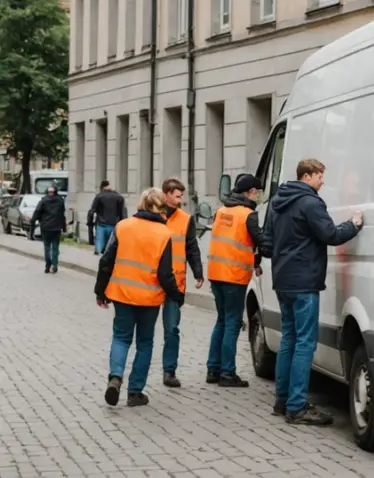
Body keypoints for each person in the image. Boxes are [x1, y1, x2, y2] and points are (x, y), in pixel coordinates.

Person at [262, 158, 362, 425]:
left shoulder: (276, 202)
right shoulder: (310, 202)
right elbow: (331, 234)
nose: (322, 181)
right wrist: (354, 224)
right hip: (304, 281)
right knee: (305, 343)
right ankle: (297, 406)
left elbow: (267, 243)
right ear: (307, 176)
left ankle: (282, 401)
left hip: (283, 279)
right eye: (320, 176)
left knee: (288, 340)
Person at [94, 188, 184, 408]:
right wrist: (176, 295)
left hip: (122, 294)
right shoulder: (164, 234)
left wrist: (100, 290)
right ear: (161, 207)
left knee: (121, 338)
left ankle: (115, 377)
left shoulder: (123, 226)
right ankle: (135, 392)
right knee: (145, 343)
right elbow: (165, 273)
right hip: (149, 298)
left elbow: (106, 260)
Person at [206, 174, 264, 388]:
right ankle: (228, 373)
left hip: (216, 272)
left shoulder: (221, 211)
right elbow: (262, 242)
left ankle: (213, 368)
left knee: (221, 320)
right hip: (234, 275)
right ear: (250, 192)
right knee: (232, 322)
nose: (257, 196)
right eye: (256, 192)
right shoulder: (249, 215)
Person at [160, 177, 205, 388]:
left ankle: (169, 371)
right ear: (166, 194)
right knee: (144, 332)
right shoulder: (152, 215)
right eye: (177, 194)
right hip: (150, 281)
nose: (181, 197)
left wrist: (198, 272)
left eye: (181, 194)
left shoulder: (185, 219)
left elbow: (191, 247)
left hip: (174, 283)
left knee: (172, 329)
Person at [31, 185, 66, 274]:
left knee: (47, 247)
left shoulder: (43, 200)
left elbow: (37, 211)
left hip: (46, 227)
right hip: (57, 227)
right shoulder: (60, 200)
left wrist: (33, 221)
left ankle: (48, 264)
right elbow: (62, 214)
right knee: (55, 247)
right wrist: (64, 227)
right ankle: (54, 265)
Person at [88, 181, 127, 255]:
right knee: (111, 246)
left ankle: (99, 255)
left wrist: (90, 223)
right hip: (114, 224)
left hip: (101, 224)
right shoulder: (119, 197)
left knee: (99, 245)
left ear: (102, 188)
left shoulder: (99, 196)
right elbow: (123, 213)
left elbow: (91, 211)